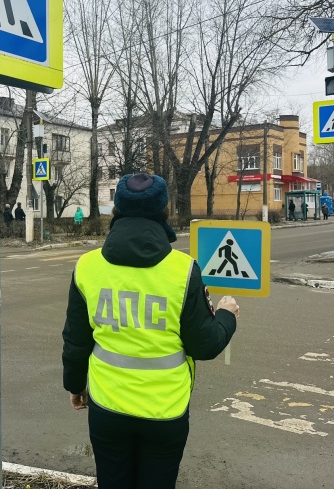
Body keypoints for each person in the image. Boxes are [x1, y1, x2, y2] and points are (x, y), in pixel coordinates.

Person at [62, 173, 238, 489]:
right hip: (165, 412)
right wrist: (227, 315)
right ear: (163, 211)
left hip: (107, 408)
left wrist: (75, 386)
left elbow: (76, 341)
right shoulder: (183, 270)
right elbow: (205, 345)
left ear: (116, 210)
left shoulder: (87, 267)